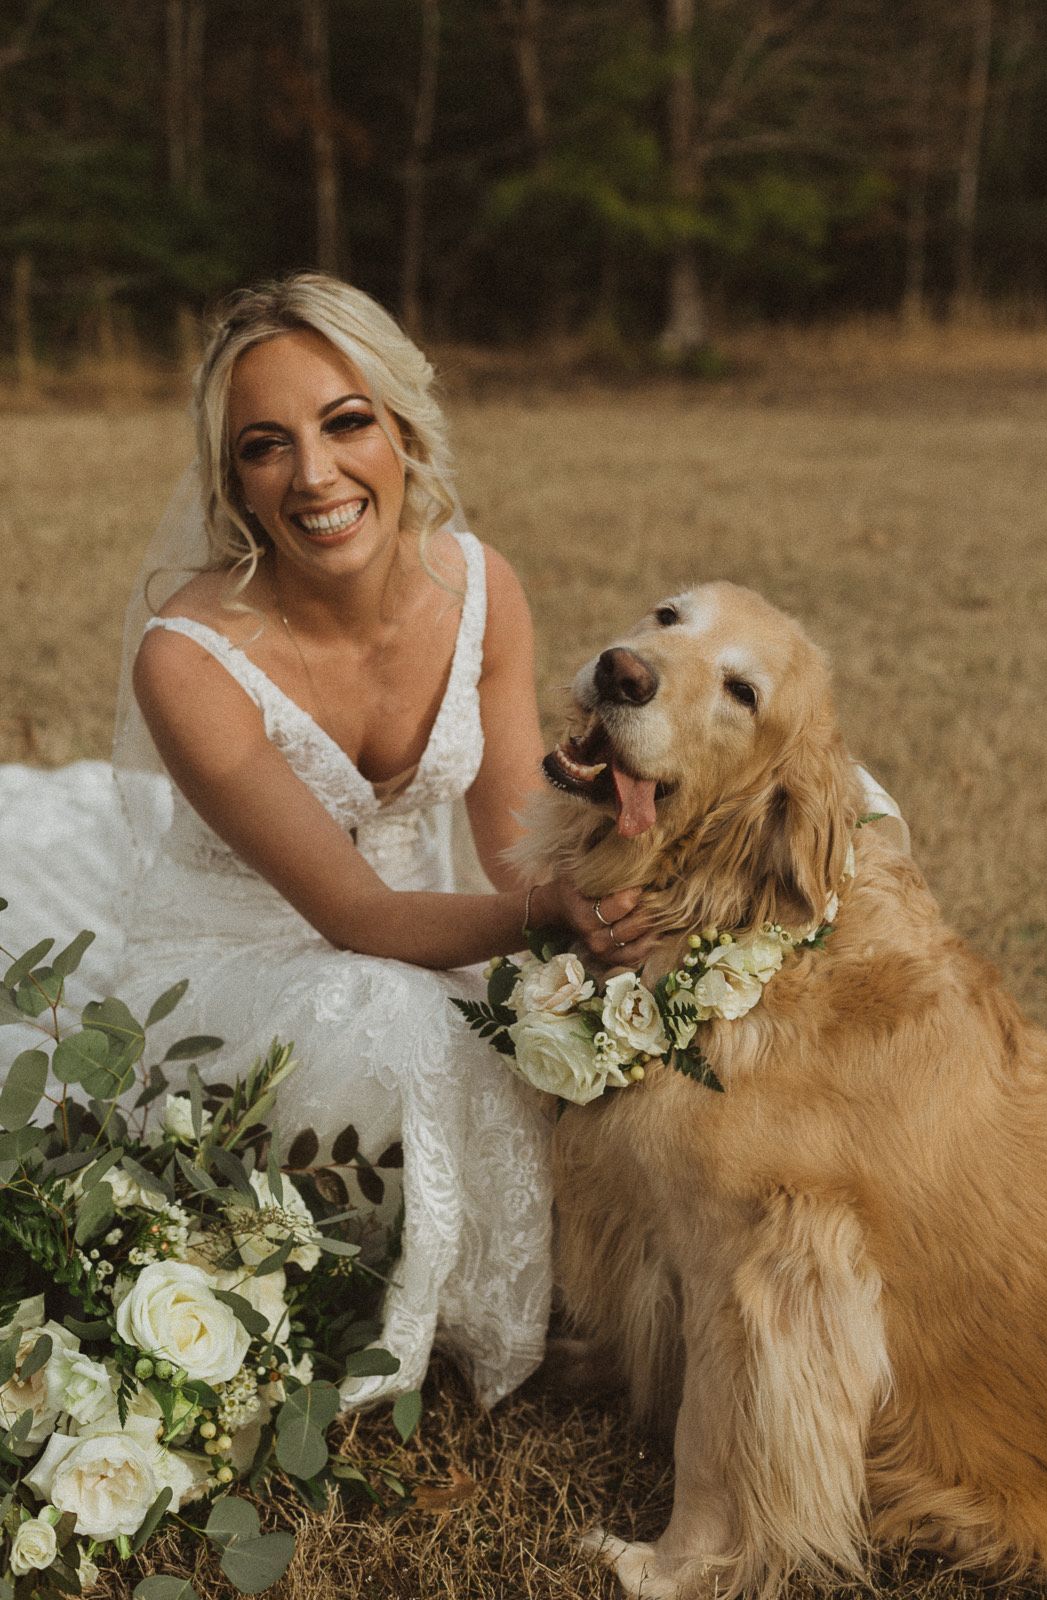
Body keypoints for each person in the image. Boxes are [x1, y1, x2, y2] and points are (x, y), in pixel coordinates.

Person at [0, 272, 655, 1410]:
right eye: (265, 446)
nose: (313, 475)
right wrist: (541, 917)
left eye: (345, 422)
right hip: (246, 952)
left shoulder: (481, 586)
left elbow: (508, 852)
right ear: (234, 482)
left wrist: (600, 887)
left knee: (569, 1024)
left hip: (439, 915)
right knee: (414, 1029)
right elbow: (355, 918)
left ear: (401, 428)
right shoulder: (188, 656)